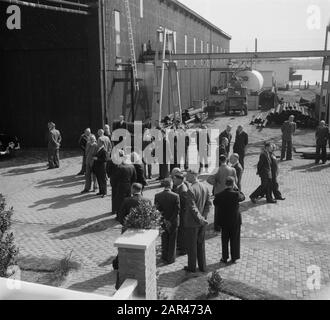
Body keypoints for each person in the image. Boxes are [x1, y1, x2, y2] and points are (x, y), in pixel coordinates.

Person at [183, 170, 212, 273]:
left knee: (192, 246)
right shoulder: (205, 187)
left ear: (193, 176)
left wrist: (200, 219)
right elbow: (208, 204)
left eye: (187, 175)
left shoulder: (191, 189)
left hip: (193, 223)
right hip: (202, 223)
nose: (186, 177)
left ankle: (192, 268)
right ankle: (202, 266)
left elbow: (192, 207)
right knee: (200, 244)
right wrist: (204, 218)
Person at [213, 177, 245, 264]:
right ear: (233, 184)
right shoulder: (236, 194)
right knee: (235, 239)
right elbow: (243, 197)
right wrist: (237, 188)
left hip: (224, 221)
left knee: (224, 240)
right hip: (235, 221)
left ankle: (224, 257)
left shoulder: (219, 195)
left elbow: (215, 203)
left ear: (225, 184)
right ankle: (234, 257)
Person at [207, 154, 237, 231]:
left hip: (218, 192)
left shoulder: (217, 169)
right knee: (227, 210)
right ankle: (225, 225)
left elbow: (209, 179)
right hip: (229, 191)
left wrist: (216, 184)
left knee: (218, 210)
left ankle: (217, 226)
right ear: (226, 160)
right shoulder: (232, 169)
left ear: (220, 161)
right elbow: (235, 181)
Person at [155, 179, 180, 264]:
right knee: (172, 239)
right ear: (171, 185)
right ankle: (171, 258)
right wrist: (170, 220)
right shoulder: (176, 196)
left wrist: (165, 219)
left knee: (164, 238)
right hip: (173, 221)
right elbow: (177, 210)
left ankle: (164, 256)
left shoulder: (157, 196)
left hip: (163, 221)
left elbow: (157, 210)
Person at [113, 155, 137, 219]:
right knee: (128, 201)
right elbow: (134, 178)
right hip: (129, 186)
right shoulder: (132, 167)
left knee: (120, 202)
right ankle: (127, 215)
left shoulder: (120, 167)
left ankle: (119, 216)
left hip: (121, 186)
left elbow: (115, 178)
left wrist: (115, 185)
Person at [172, 170, 189, 255]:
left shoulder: (183, 190)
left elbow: (184, 204)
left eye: (175, 179)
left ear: (180, 180)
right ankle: (180, 246)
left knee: (183, 231)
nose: (173, 181)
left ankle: (184, 249)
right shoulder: (179, 187)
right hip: (181, 213)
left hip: (183, 214)